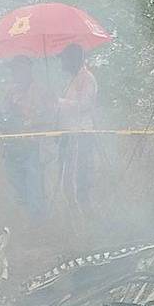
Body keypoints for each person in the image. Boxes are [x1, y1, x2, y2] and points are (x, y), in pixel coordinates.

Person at [0, 56, 52, 217]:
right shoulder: (10, 92)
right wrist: (6, 121)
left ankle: (38, 218)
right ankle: (30, 209)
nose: (14, 73)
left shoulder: (41, 91)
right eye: (13, 70)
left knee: (34, 180)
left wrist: (28, 120)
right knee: (14, 177)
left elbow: (49, 116)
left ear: (27, 70)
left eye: (17, 69)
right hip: (13, 143)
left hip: (33, 144)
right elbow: (3, 114)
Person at [53, 43, 99, 208]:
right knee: (66, 177)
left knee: (79, 178)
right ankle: (72, 212)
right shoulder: (71, 80)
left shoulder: (87, 79)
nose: (62, 63)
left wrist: (59, 102)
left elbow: (84, 105)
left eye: (64, 59)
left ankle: (85, 213)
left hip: (81, 135)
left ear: (74, 59)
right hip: (68, 135)